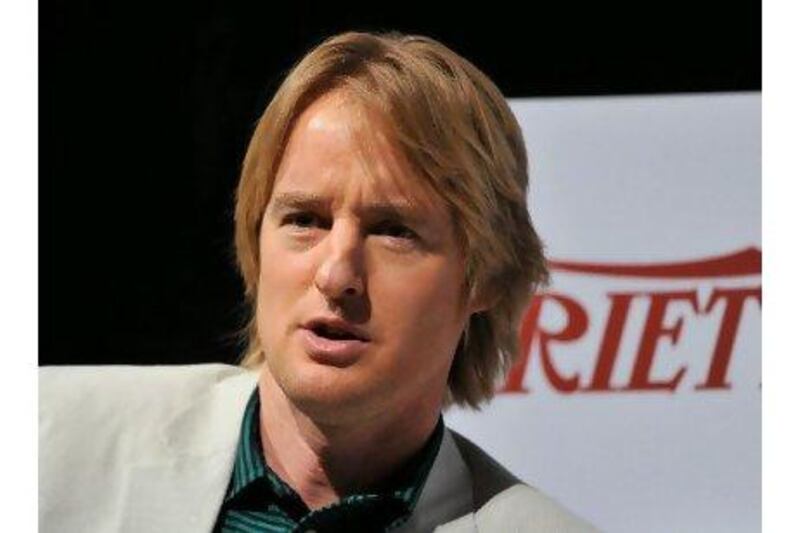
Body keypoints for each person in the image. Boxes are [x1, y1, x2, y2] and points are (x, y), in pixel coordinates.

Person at [40, 31, 597, 532]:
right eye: (305, 220)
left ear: (486, 275)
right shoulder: (42, 438)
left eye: (392, 231)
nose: (336, 275)